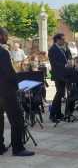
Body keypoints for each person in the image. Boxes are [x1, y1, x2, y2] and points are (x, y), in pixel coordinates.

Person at [0, 27, 35, 156]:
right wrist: (18, 83)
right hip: (7, 91)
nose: (7, 37)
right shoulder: (2, 52)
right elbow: (9, 73)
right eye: (5, 34)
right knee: (17, 119)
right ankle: (18, 148)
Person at [48, 33, 72, 123]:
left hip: (64, 75)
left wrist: (67, 49)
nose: (64, 41)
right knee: (59, 94)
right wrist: (65, 65)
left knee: (61, 94)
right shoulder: (52, 49)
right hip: (58, 75)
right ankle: (52, 114)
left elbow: (69, 57)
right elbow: (54, 64)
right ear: (57, 40)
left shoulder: (63, 48)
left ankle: (58, 114)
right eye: (62, 39)